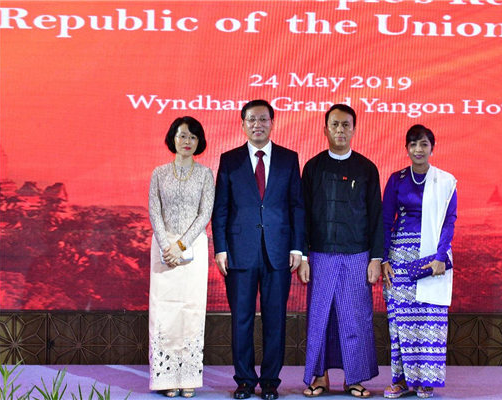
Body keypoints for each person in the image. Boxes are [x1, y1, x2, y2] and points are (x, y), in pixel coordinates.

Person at [211, 100, 305, 400]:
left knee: (275, 319)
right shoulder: (230, 160)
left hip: (279, 251)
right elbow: (221, 208)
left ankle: (270, 382)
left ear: (272, 123)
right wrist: (221, 248)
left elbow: (296, 206)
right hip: (240, 251)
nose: (257, 125)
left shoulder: (289, 159)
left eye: (263, 119)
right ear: (242, 124)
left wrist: (297, 248)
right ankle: (244, 381)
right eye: (251, 119)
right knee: (242, 319)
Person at [298, 104, 383, 398]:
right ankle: (319, 377)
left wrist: (375, 258)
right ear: (325, 130)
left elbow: (376, 217)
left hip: (357, 255)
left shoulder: (366, 168)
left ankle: (354, 378)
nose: (340, 130)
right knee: (320, 317)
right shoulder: (313, 167)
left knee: (354, 316)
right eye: (334, 125)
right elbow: (303, 215)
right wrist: (304, 256)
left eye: (346, 125)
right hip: (320, 255)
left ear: (354, 130)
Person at [381, 124, 457, 399]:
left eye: (424, 144)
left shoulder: (445, 181)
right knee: (401, 321)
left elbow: (449, 221)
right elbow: (386, 220)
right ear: (406, 148)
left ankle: (426, 381)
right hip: (400, 258)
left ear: (432, 148)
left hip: (433, 259)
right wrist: (384, 259)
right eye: (413, 144)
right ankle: (400, 380)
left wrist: (440, 257)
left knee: (429, 318)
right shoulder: (397, 179)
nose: (418, 149)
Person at [148, 116, 215, 398]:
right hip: (163, 251)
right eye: (182, 135)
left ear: (199, 142)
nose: (187, 141)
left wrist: (181, 246)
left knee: (191, 310)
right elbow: (154, 211)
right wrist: (168, 246)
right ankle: (165, 377)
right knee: (164, 311)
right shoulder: (159, 173)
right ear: (172, 139)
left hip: (193, 250)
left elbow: (205, 214)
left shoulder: (206, 174)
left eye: (193, 137)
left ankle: (188, 375)